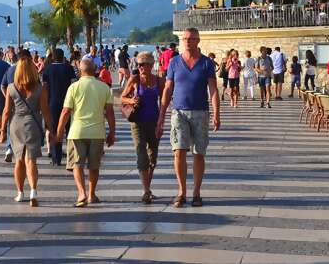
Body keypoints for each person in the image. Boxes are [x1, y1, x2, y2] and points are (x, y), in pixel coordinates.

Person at [160, 27, 221, 208]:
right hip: (179, 112)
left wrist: (216, 113)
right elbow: (168, 89)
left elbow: (213, 90)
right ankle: (181, 191)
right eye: (185, 38)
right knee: (178, 151)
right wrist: (161, 115)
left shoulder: (206, 64)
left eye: (191, 39)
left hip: (201, 112)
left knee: (198, 153)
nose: (187, 41)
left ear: (198, 41)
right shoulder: (174, 63)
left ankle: (196, 192)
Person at [54, 57, 116, 208]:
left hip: (77, 132)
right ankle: (92, 194)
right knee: (94, 166)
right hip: (97, 132)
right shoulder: (104, 88)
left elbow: (65, 111)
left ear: (80, 70)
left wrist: (59, 132)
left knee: (77, 164)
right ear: (95, 70)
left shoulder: (73, 87)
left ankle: (81, 193)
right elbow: (109, 113)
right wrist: (112, 132)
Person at [0, 54, 49, 206]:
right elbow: (45, 111)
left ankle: (20, 193)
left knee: (19, 161)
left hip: (16, 124)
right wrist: (51, 128)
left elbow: (7, 111)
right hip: (33, 124)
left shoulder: (11, 88)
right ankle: (33, 191)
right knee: (31, 161)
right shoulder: (40, 89)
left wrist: (2, 130)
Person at [122, 51, 166, 204]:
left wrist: (161, 121)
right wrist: (131, 100)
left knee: (152, 156)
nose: (139, 67)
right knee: (141, 152)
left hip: (153, 121)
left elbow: (163, 102)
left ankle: (148, 187)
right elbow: (122, 97)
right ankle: (146, 190)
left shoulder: (159, 81)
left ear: (151, 65)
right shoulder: (135, 79)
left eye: (143, 64)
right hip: (137, 122)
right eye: (138, 64)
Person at [40, 49, 78, 167]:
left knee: (55, 129)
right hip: (68, 103)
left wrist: (44, 103)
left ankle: (56, 158)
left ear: (52, 57)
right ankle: (71, 157)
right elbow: (74, 84)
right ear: (63, 57)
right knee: (69, 130)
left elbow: (44, 87)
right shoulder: (69, 68)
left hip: (52, 103)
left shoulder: (47, 69)